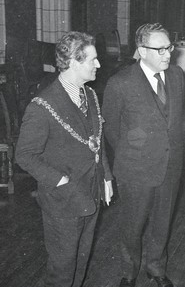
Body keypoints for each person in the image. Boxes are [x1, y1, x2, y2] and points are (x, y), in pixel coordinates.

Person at [16, 31, 114, 287]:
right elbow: (24, 155)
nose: (98, 65)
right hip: (63, 201)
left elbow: (98, 139)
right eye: (92, 60)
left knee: (81, 262)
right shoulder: (42, 105)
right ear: (73, 63)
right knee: (62, 269)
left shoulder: (90, 95)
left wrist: (106, 176)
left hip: (90, 193)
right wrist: (60, 180)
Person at [102, 23, 184, 287]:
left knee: (162, 222)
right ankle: (129, 271)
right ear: (141, 51)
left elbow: (175, 121)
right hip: (135, 169)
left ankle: (156, 267)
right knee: (132, 225)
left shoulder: (178, 76)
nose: (167, 54)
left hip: (170, 165)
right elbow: (111, 128)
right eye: (159, 49)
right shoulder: (120, 83)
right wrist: (133, 153)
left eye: (169, 47)